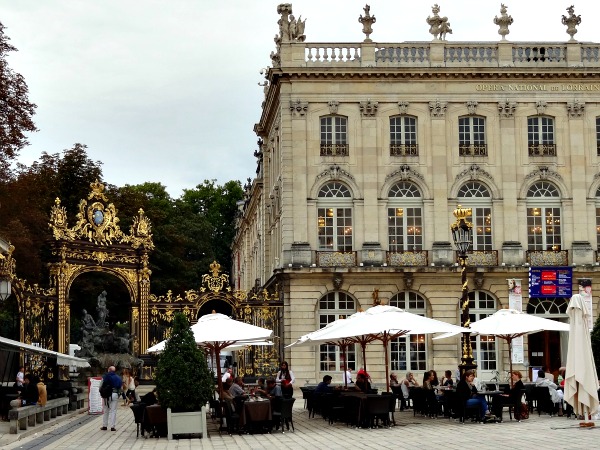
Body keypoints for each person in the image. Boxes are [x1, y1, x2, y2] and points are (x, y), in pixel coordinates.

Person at [100, 366, 122, 431]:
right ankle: (112, 426)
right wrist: (119, 395)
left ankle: (104, 425)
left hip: (106, 395)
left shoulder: (105, 377)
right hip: (115, 394)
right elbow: (120, 388)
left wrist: (102, 393)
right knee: (113, 410)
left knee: (106, 410)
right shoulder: (118, 378)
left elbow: (100, 386)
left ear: (109, 370)